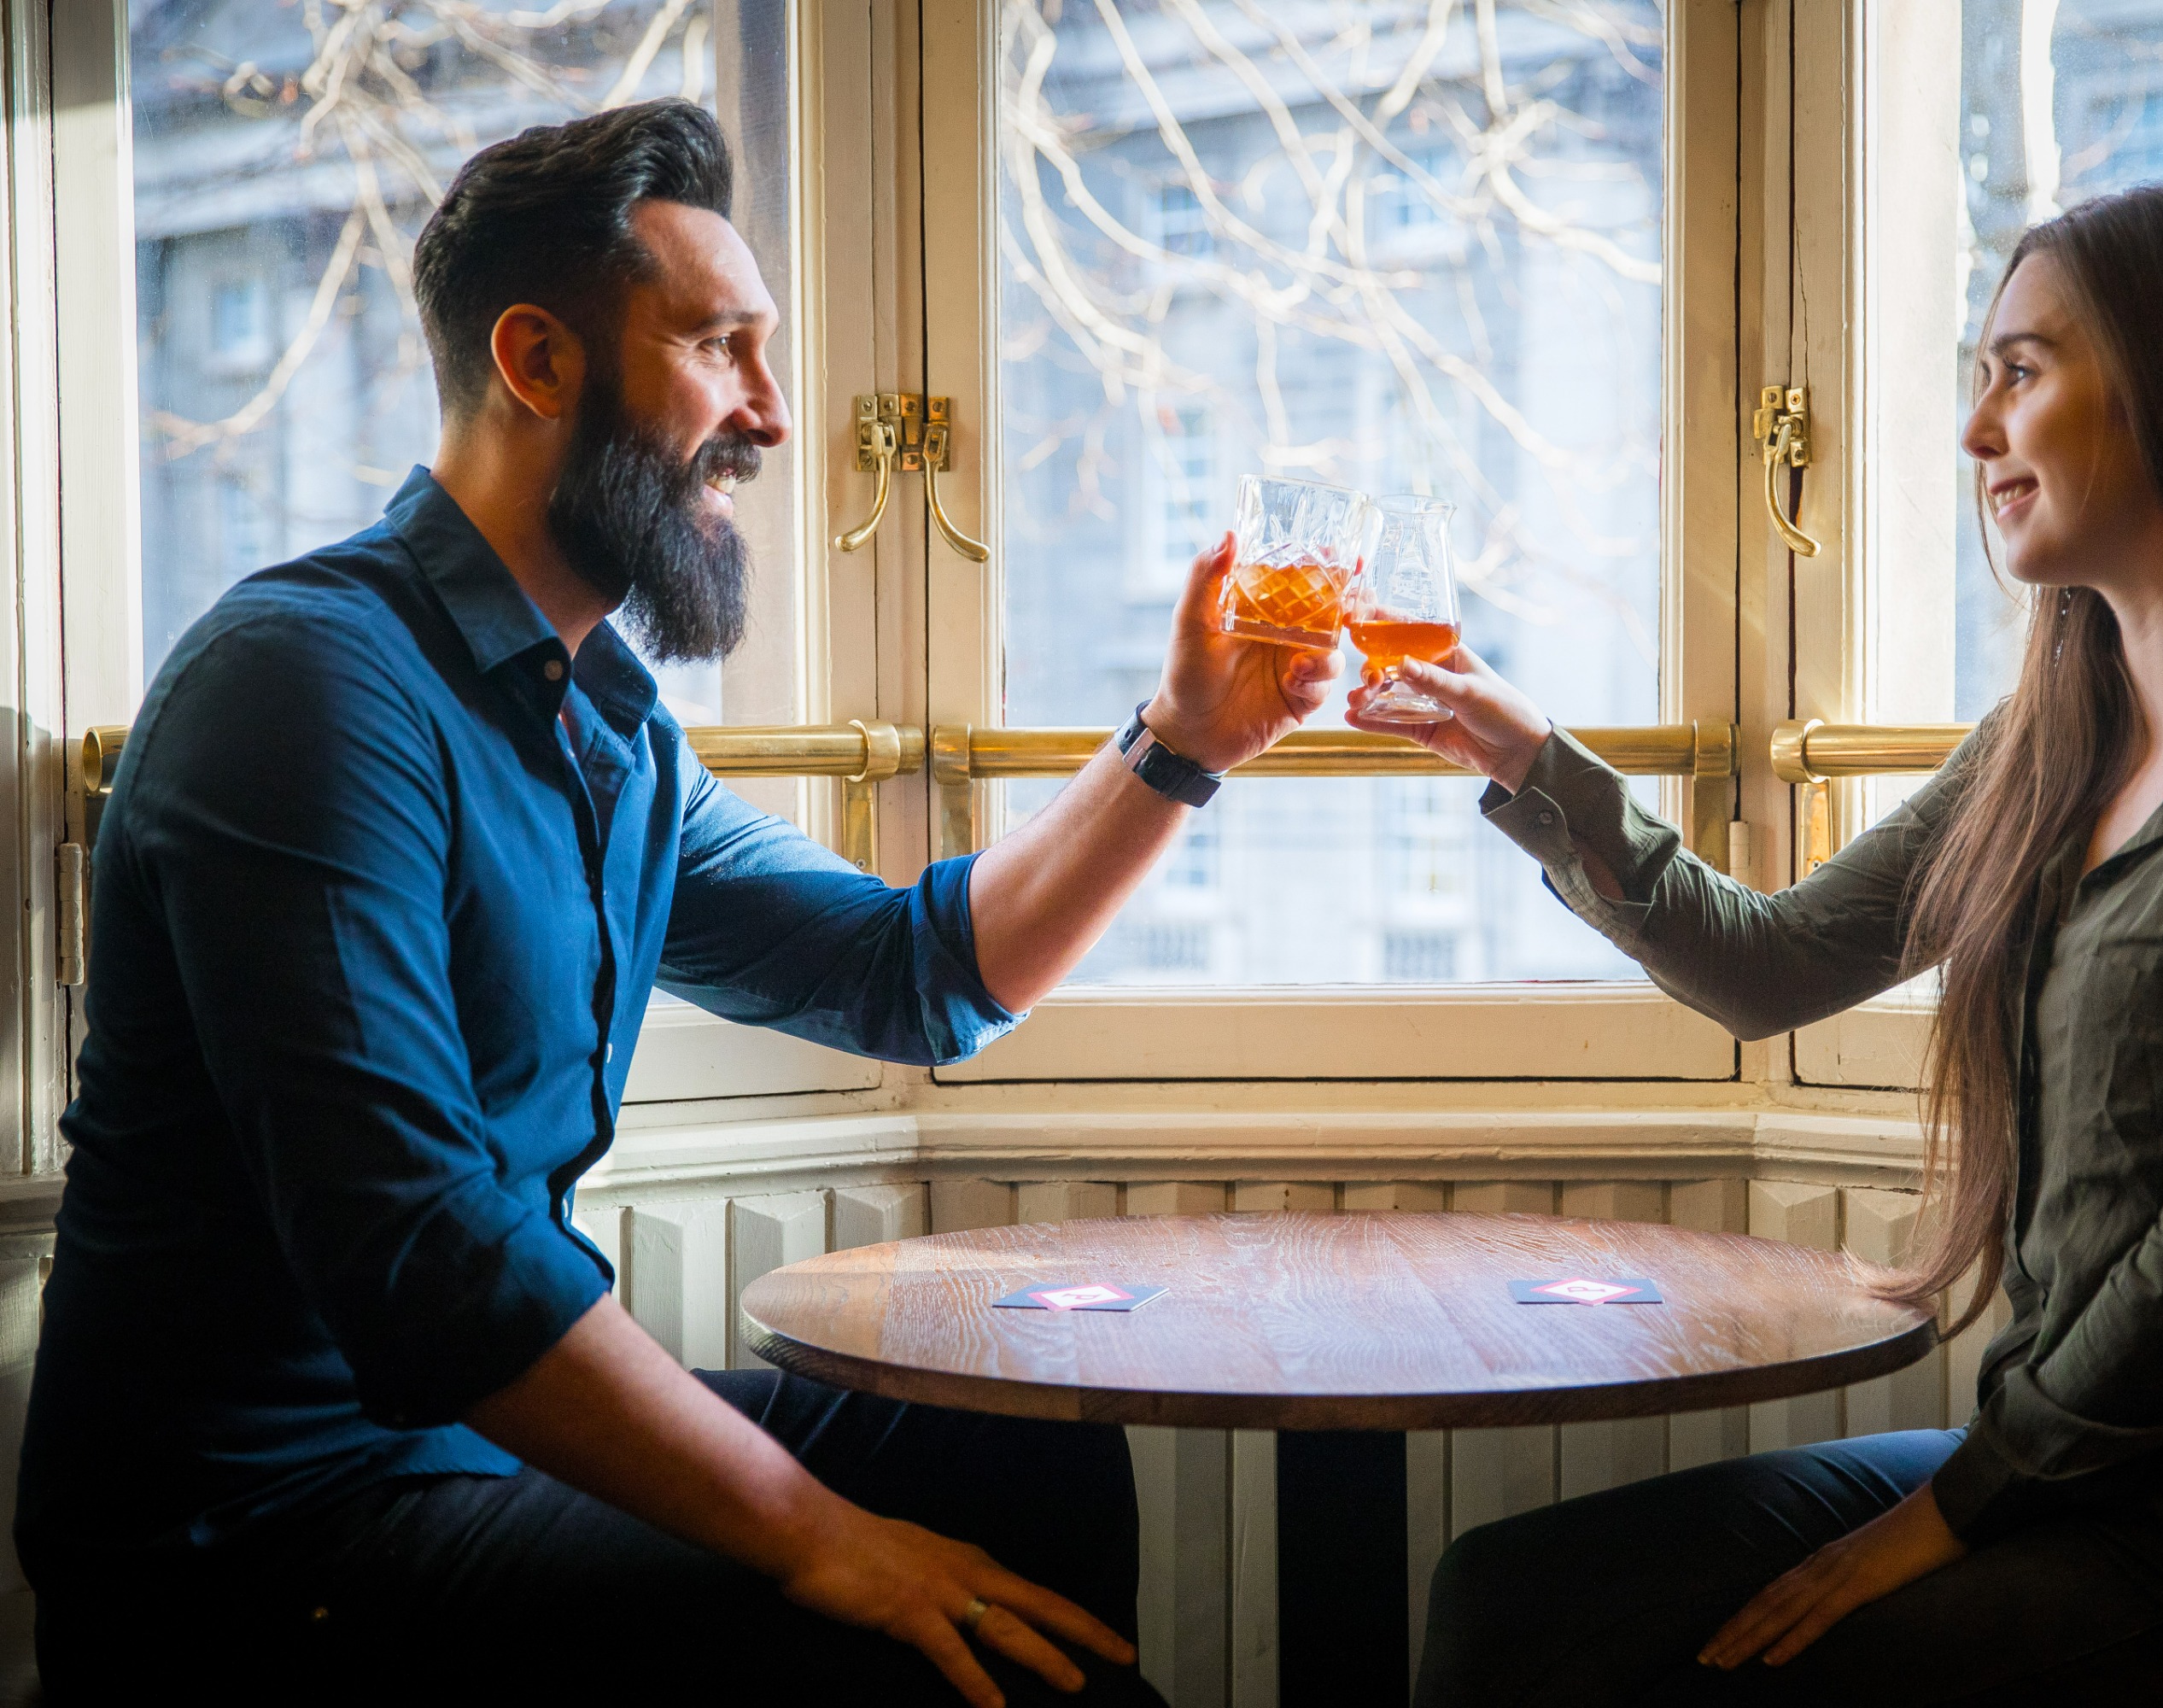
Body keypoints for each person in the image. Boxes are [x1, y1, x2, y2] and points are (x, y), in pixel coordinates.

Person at [18, 101, 1333, 1705]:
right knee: (918, 1639)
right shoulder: (305, 688)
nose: (774, 420)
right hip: (259, 1543)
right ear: (539, 360)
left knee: (1018, 1455)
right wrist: (814, 1535)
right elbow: (424, 1257)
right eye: (722, 348)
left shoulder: (607, 728)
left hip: (448, 1451)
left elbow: (914, 974)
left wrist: (1183, 743)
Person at [1356, 179, 2163, 1705]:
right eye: (1982, 375)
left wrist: (1955, 1514)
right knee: (1512, 1598)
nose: (1978, 432)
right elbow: (1771, 966)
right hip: (2054, 1484)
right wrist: (1532, 763)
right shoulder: (2052, 740)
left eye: (2024, 372)